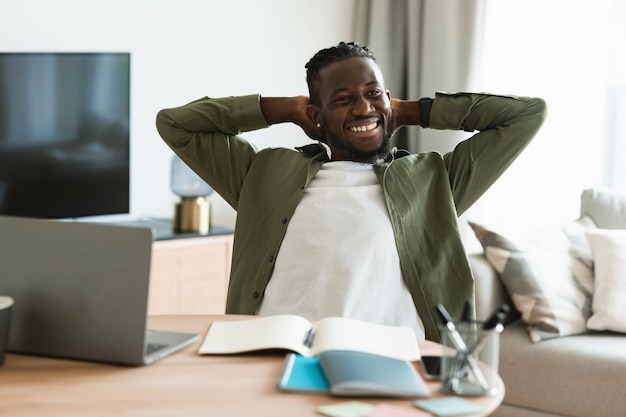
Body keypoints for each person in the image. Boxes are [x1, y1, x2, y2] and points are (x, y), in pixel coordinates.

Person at [156, 41, 547, 342]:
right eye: (343, 100)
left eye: (373, 93)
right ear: (316, 115)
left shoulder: (433, 182)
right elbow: (177, 124)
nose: (363, 108)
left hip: (389, 356)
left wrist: (411, 110)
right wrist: (288, 108)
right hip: (275, 352)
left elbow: (525, 115)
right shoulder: (264, 174)